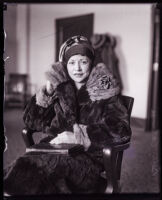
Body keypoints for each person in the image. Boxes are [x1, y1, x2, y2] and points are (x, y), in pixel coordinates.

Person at [3, 35, 131, 195]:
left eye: (83, 61)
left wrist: (80, 137)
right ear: (65, 64)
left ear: (91, 62)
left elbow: (121, 130)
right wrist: (47, 93)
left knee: (29, 174)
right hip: (51, 149)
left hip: (87, 159)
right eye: (71, 62)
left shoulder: (104, 89)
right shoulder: (61, 87)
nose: (77, 68)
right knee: (19, 168)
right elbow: (31, 121)